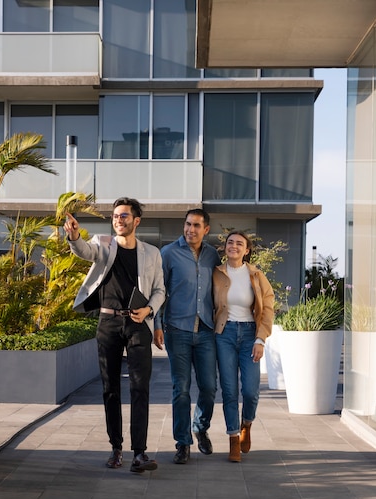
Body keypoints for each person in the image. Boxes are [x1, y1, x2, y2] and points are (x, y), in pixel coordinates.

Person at [64, 197, 165, 473]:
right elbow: (85, 251)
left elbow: (159, 290)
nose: (119, 220)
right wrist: (74, 235)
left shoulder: (152, 253)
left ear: (136, 221)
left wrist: (148, 311)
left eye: (124, 216)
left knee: (139, 387)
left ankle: (140, 453)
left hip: (137, 324)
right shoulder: (104, 244)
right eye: (115, 216)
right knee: (110, 388)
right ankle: (116, 447)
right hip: (108, 323)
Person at [154, 208, 220, 464]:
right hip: (177, 330)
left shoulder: (213, 255)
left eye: (196, 226)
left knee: (209, 388)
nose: (191, 230)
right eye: (188, 225)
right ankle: (182, 443)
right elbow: (159, 290)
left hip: (206, 330)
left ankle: (200, 427)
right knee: (180, 389)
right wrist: (157, 324)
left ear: (206, 230)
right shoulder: (168, 253)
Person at [213, 230, 274, 462]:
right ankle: (233, 440)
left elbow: (267, 307)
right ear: (225, 248)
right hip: (224, 334)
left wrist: (260, 339)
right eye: (230, 242)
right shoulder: (216, 274)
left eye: (240, 243)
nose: (234, 246)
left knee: (250, 391)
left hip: (250, 334)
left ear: (246, 250)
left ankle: (247, 423)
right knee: (229, 391)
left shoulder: (257, 275)